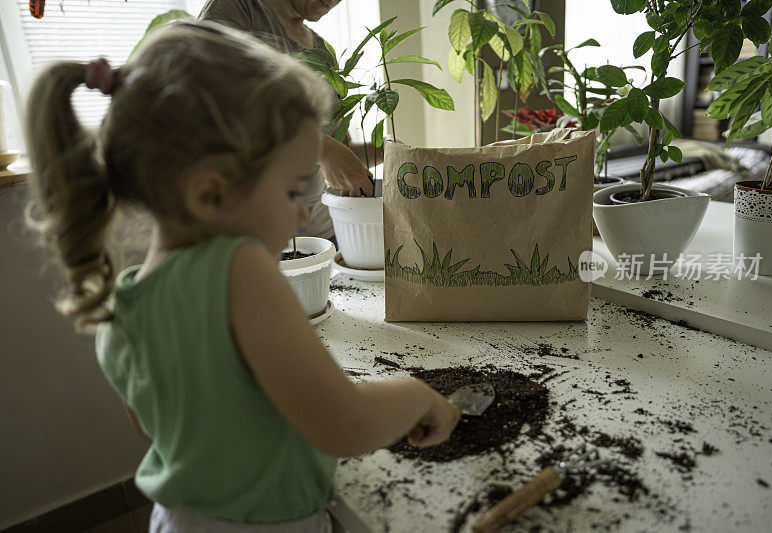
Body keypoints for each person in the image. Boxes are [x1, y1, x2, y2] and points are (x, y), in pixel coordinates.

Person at [24, 22, 458, 532]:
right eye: (295, 191)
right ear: (211, 194)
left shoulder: (122, 301)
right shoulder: (241, 269)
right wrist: (417, 395)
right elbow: (344, 425)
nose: (302, 215)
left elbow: (172, 431)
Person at [199, 0, 378, 241]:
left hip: (323, 234)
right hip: (253, 236)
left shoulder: (323, 53)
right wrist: (321, 147)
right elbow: (216, 108)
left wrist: (385, 150)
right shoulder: (237, 9)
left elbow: (338, 153)